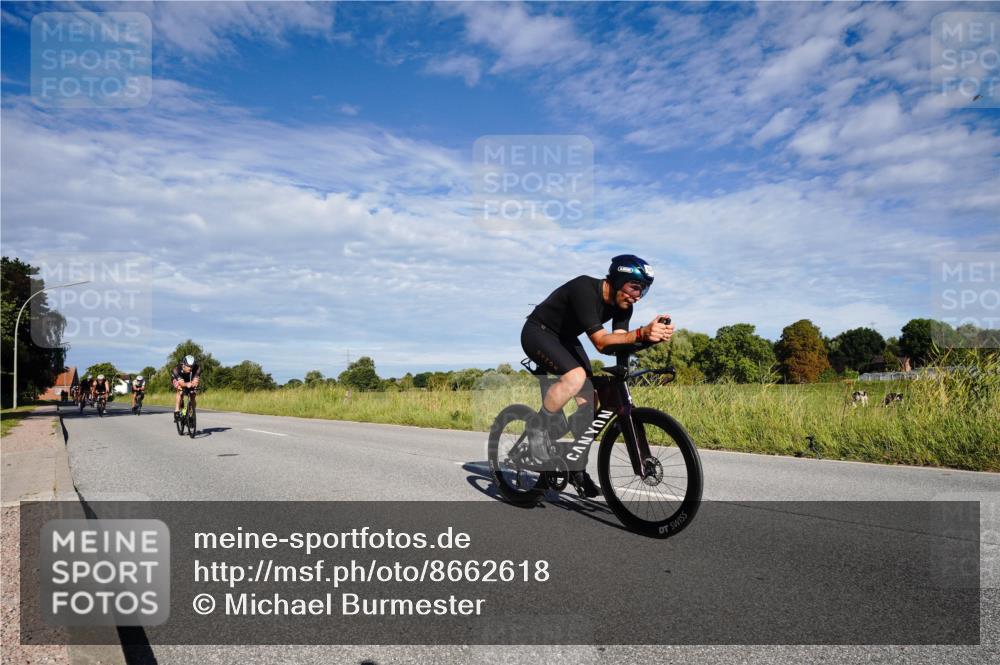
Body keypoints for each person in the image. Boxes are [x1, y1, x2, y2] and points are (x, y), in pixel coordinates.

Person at [521, 254, 674, 497]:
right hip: (538, 332)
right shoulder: (584, 288)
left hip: (566, 340)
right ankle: (536, 432)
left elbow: (619, 343)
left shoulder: (624, 306)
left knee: (589, 402)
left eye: (642, 291)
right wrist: (642, 333)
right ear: (617, 280)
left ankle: (576, 467)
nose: (637, 295)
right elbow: (602, 343)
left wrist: (648, 340)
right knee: (575, 376)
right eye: (634, 287)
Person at [171, 355, 201, 421]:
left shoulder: (197, 368)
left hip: (189, 379)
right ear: (183, 364)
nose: (190, 368)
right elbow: (181, 383)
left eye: (192, 366)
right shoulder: (177, 369)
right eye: (188, 366)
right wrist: (186, 384)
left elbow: (195, 380)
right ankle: (176, 411)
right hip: (177, 379)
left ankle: (189, 413)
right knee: (180, 391)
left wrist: (195, 384)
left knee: (193, 394)